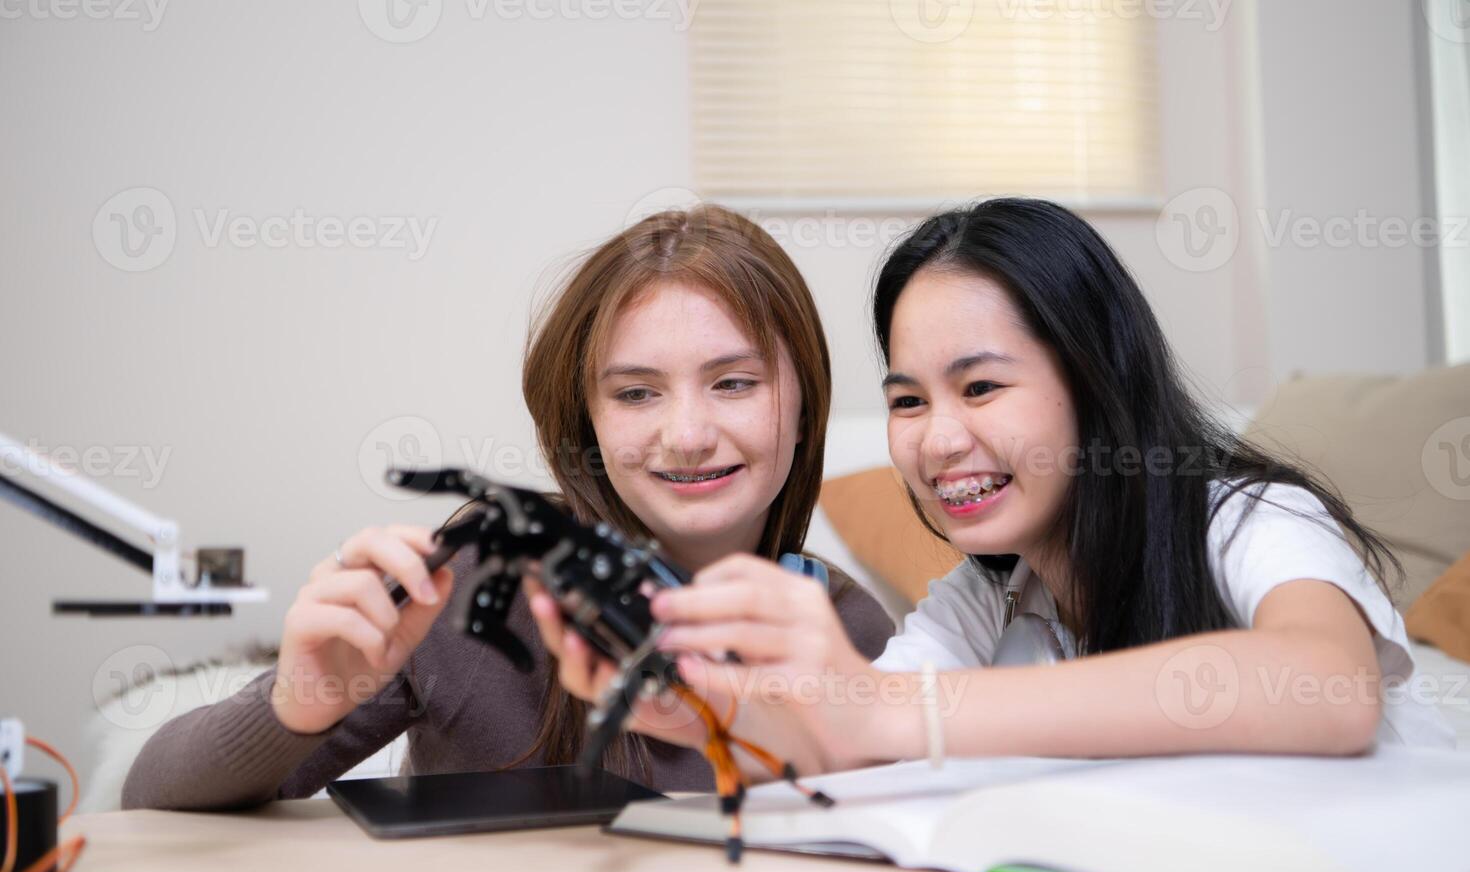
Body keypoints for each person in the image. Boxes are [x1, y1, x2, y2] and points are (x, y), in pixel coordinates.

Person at [542, 198, 1455, 781]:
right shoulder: (981, 600)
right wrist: (697, 709)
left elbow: (1325, 689)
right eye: (908, 400)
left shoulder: (1249, 520)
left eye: (981, 387)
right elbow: (839, 739)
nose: (939, 440)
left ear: (1097, 385)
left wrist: (891, 710)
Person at [121, 205, 895, 810]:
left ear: (804, 405)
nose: (687, 434)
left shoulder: (853, 632)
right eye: (634, 393)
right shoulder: (460, 595)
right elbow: (150, 797)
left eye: (734, 382)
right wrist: (299, 701)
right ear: (583, 421)